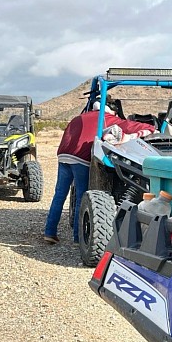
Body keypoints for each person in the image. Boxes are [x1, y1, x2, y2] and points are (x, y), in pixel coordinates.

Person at [43, 100, 155, 244]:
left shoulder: (79, 117)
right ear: (113, 111)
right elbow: (130, 126)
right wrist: (152, 128)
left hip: (64, 156)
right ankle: (78, 237)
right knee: (81, 197)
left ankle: (50, 232)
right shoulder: (107, 118)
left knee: (59, 195)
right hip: (80, 158)